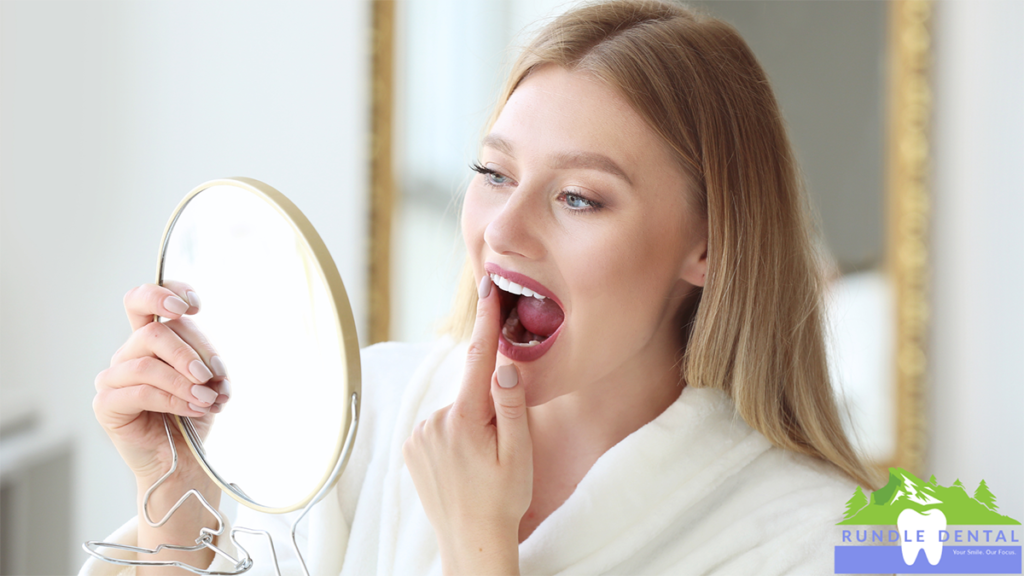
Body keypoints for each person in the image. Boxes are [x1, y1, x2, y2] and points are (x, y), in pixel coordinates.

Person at [82, 1, 879, 574]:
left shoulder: (816, 540)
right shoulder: (362, 416)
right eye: (494, 173)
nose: (502, 231)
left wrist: (477, 548)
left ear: (707, 247)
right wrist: (173, 498)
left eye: (579, 198)